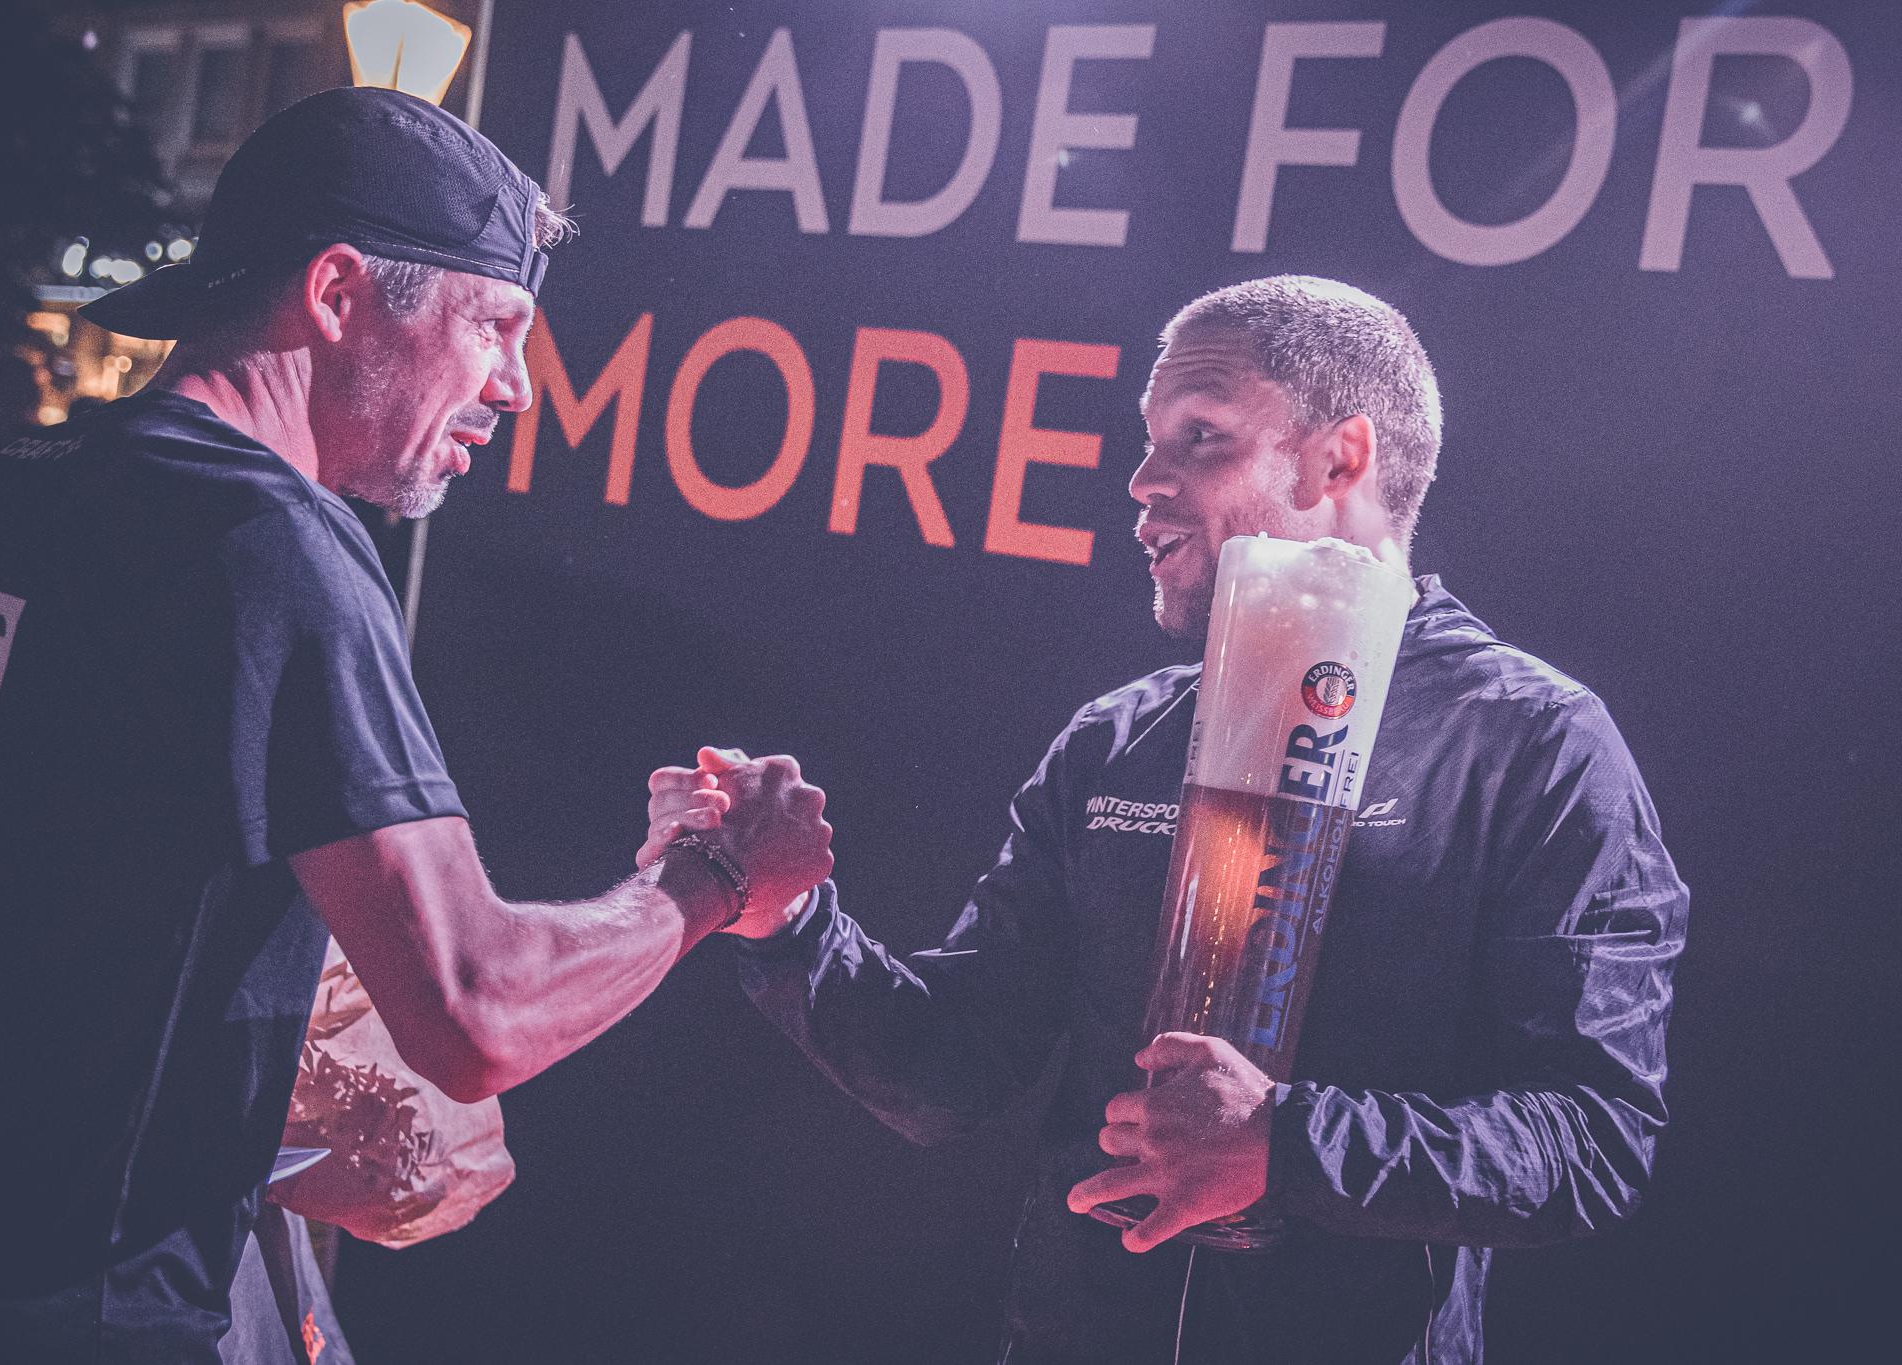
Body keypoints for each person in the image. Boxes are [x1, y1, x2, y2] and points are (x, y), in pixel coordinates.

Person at [0, 87, 829, 1362]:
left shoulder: (3, 496)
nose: (515, 390)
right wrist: (707, 879)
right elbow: (475, 1009)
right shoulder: (269, 547)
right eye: (495, 327)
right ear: (335, 294)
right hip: (87, 1313)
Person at [652, 277, 1687, 1363]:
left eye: (1201, 436)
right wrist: (783, 920)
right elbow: (952, 1070)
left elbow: (1593, 1137)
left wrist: (1285, 1142)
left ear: (1339, 460)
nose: (1143, 480)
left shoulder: (1531, 744)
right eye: (1150, 442)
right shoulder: (1116, 739)